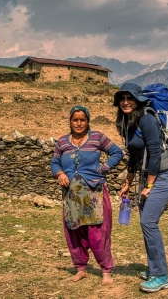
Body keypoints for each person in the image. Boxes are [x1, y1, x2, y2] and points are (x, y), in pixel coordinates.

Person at [113, 83, 168, 293]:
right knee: (146, 224)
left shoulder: (147, 119)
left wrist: (149, 185)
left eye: (130, 98)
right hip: (147, 177)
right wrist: (127, 184)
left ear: (138, 100)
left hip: (162, 175)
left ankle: (161, 276)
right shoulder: (128, 123)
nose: (125, 101)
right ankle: (154, 269)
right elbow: (134, 157)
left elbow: (154, 153)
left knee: (148, 222)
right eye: (122, 98)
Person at [51, 104, 123, 285]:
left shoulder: (97, 137)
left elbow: (117, 152)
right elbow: (55, 163)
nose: (79, 123)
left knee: (98, 234)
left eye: (82, 119)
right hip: (72, 196)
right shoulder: (62, 142)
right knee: (74, 232)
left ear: (88, 121)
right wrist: (59, 173)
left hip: (94, 193)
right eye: (75, 120)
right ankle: (80, 268)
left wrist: (103, 168)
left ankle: (106, 270)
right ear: (70, 121)